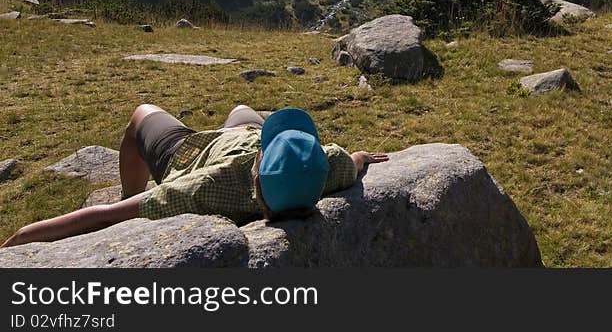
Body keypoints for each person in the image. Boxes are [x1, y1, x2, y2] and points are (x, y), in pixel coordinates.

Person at [1, 104, 388, 248]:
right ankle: (247, 122)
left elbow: (103, 216)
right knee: (243, 108)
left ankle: (128, 187)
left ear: (258, 173)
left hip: (194, 154)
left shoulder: (202, 189)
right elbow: (352, 160)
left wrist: (18, 240)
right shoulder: (319, 171)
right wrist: (363, 158)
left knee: (141, 113)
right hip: (243, 136)